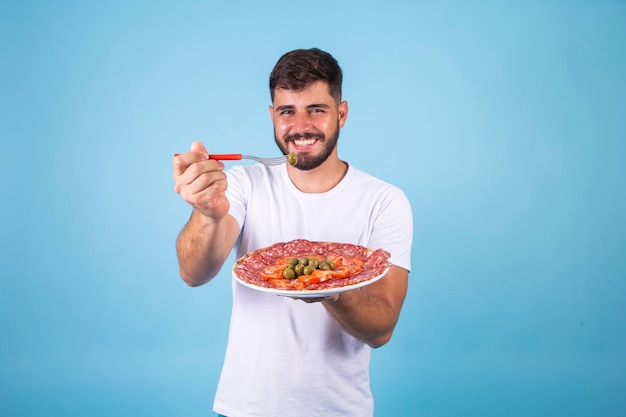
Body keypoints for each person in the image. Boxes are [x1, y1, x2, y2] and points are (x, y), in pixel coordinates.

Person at [172, 48, 413, 417]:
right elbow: (193, 273)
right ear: (272, 116)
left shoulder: (384, 200)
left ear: (342, 114)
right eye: (287, 111)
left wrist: (327, 288)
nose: (301, 126)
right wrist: (206, 214)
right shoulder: (242, 185)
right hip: (244, 408)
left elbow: (381, 329)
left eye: (316, 109)